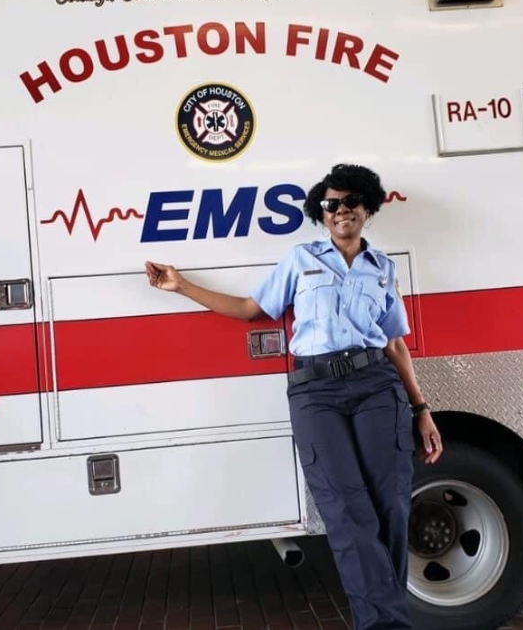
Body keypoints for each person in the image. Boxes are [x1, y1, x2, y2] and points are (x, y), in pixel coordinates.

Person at [146, 163, 444, 630]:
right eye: (331, 204)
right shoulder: (300, 259)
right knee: (346, 511)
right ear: (321, 214)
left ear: (367, 207)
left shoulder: (382, 268)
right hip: (316, 392)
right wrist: (181, 285)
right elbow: (250, 309)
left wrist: (423, 409)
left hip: (376, 387)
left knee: (391, 506)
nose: (341, 210)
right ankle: (385, 624)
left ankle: (386, 620)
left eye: (351, 202)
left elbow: (395, 343)